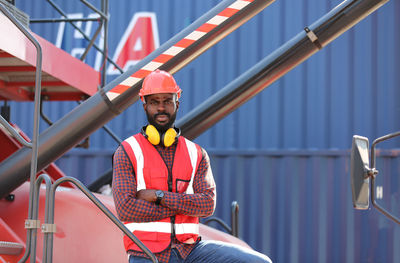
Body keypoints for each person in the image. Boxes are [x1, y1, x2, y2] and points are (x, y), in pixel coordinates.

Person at [112, 69, 272, 263]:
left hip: (190, 251)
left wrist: (158, 196)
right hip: (146, 253)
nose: (161, 108)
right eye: (154, 102)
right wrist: (184, 207)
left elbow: (207, 204)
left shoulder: (196, 153)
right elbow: (126, 209)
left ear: (177, 104)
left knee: (260, 262)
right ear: (144, 105)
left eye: (167, 101)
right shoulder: (127, 151)